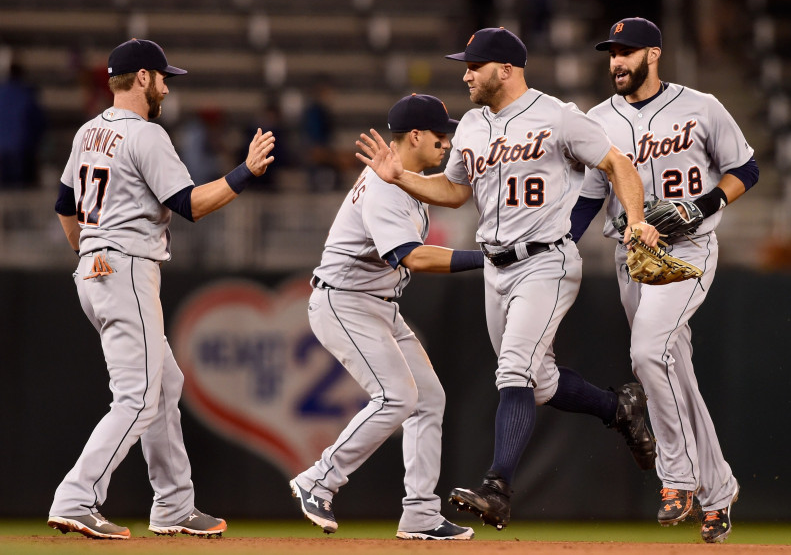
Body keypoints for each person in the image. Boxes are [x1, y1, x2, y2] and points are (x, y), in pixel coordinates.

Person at [355, 27, 660, 531]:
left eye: (474, 65)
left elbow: (617, 164)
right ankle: (618, 407)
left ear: (506, 69)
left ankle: (497, 488)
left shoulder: (557, 115)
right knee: (537, 381)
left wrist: (636, 218)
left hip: (547, 262)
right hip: (495, 267)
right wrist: (402, 177)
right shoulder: (473, 124)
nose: (465, 74)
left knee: (514, 370)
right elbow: (454, 192)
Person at [49, 38, 276, 540]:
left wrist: (89, 255)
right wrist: (245, 173)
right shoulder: (146, 135)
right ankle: (77, 497)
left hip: (96, 269)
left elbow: (66, 205)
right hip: (125, 268)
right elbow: (191, 204)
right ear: (144, 78)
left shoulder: (89, 131)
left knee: (164, 385)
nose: (167, 86)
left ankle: (174, 504)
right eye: (163, 76)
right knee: (138, 395)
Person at [570, 17, 758, 544]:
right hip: (634, 256)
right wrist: (563, 240)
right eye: (612, 52)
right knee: (674, 373)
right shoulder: (598, 119)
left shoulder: (701, 105)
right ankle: (719, 492)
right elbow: (589, 196)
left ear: (653, 54)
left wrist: (702, 207)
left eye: (627, 52)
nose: (616, 62)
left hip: (688, 250)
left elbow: (745, 169)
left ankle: (677, 477)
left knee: (649, 353)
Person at [289, 94, 483, 541]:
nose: (447, 143)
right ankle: (319, 479)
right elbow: (411, 257)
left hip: (377, 304)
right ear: (415, 135)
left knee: (428, 399)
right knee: (396, 396)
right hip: (345, 301)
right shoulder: (385, 185)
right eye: (440, 135)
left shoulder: (404, 178)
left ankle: (419, 513)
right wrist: (485, 258)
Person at [0, 61, 45, 188]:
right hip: (23, 151)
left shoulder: (2, 93)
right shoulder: (27, 95)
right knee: (24, 195)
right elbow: (39, 123)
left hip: (3, 151)